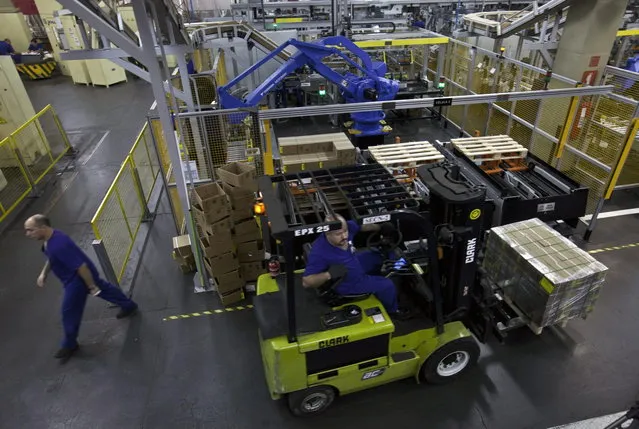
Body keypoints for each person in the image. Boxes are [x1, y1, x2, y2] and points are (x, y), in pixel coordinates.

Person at [24, 214, 138, 360]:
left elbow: (81, 267)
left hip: (77, 280)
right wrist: (44, 273)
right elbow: (52, 258)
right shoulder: (50, 240)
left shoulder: (59, 244)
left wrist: (90, 286)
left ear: (43, 228)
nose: (28, 234)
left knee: (69, 311)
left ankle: (69, 344)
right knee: (105, 290)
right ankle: (129, 305)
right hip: (79, 277)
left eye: (30, 230)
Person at [302, 214, 407, 318]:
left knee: (380, 254)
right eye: (338, 234)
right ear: (327, 233)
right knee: (387, 285)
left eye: (345, 231)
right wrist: (329, 274)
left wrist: (380, 227)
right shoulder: (319, 252)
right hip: (350, 282)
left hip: (355, 261)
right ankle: (393, 310)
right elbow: (307, 282)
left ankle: (392, 269)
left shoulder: (345, 226)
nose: (344, 236)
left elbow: (361, 226)